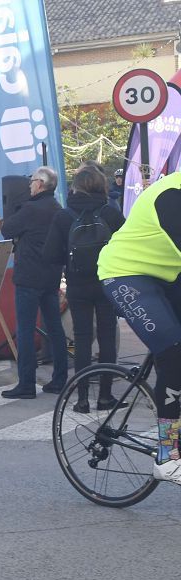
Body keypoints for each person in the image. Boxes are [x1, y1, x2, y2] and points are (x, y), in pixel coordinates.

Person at [98, 171, 181, 483]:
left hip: (167, 275)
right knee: (174, 353)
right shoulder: (172, 196)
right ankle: (167, 453)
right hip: (126, 273)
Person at [43, 166, 125, 412]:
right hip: (106, 282)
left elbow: (50, 255)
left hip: (78, 285)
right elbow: (126, 247)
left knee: (82, 338)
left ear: (76, 186)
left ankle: (81, 399)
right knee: (107, 337)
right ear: (101, 186)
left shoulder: (64, 215)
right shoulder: (111, 212)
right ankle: (105, 397)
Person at [0, 166, 69, 399]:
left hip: (29, 277)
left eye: (32, 182)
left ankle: (27, 383)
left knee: (26, 330)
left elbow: (7, 229)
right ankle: (59, 380)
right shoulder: (58, 209)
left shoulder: (30, 209)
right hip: (50, 277)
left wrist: (10, 207)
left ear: (40, 184)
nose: (29, 185)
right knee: (55, 329)